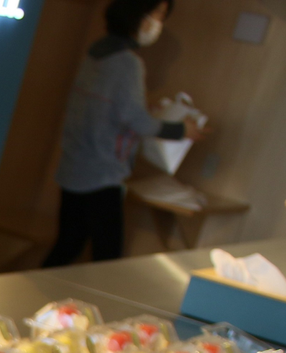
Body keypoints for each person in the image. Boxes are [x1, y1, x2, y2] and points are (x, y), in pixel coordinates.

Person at [43, 0, 204, 266]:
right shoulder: (128, 63)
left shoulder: (96, 52)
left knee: (67, 246)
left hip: (73, 166)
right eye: (157, 14)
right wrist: (182, 130)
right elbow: (138, 122)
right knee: (107, 259)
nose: (158, 24)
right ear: (137, 14)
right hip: (102, 174)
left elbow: (107, 110)